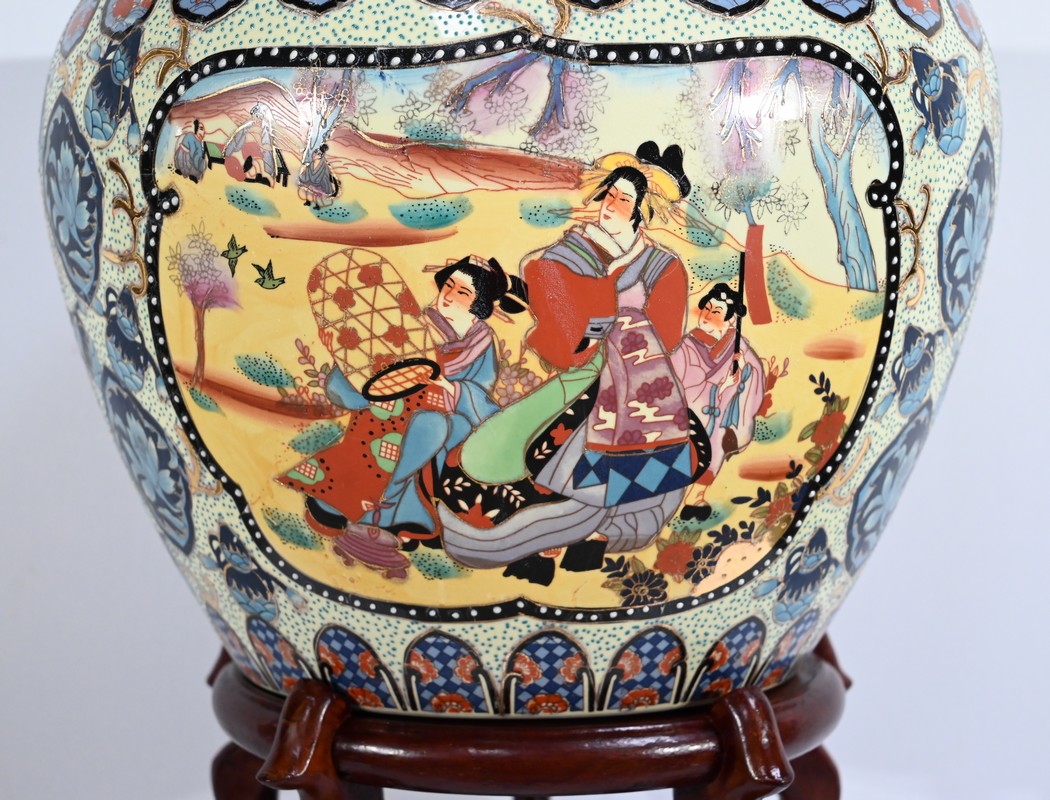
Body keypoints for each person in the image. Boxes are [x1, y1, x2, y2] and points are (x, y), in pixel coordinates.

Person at [441, 142, 709, 569]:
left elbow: (667, 333)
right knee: (510, 443)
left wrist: (612, 317)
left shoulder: (661, 264)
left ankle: (604, 528)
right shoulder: (570, 251)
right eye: (609, 195)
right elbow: (554, 313)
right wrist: (568, 305)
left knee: (656, 447)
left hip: (641, 383)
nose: (610, 206)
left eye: (623, 200)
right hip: (580, 370)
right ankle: (508, 532)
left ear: (641, 211)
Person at [279, 256, 526, 548]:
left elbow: (480, 392)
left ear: (478, 304)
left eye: (462, 292)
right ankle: (360, 501)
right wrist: (342, 356)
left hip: (445, 410)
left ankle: (388, 505)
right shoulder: (413, 322)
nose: (448, 297)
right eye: (448, 286)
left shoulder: (481, 342)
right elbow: (367, 366)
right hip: (389, 406)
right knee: (410, 427)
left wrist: (450, 389)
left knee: (435, 426)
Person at [671, 283, 765, 516]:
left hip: (720, 417)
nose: (707, 315)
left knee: (716, 444)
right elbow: (677, 381)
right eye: (707, 309)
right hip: (690, 413)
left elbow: (754, 375)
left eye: (716, 312)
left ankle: (696, 497)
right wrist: (719, 387)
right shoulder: (688, 345)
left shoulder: (738, 347)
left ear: (731, 320)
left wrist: (743, 374)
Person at [298, 143, 338, 209]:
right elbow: (309, 171)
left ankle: (316, 205)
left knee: (315, 192)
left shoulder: (322, 163)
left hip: (318, 181)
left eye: (318, 154)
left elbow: (325, 175)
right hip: (311, 178)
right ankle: (308, 201)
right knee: (308, 189)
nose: (315, 155)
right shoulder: (314, 160)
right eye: (315, 153)